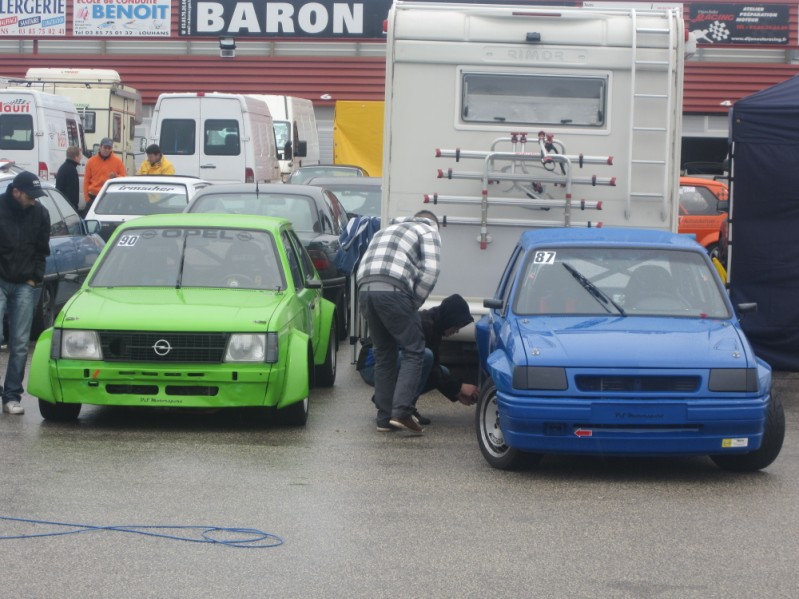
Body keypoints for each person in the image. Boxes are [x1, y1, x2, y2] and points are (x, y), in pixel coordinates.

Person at [356, 209, 441, 433]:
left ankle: (384, 418)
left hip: (364, 289)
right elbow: (431, 270)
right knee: (415, 349)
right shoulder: (429, 230)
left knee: (384, 353)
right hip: (393, 289)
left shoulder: (386, 230)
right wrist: (414, 303)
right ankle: (402, 412)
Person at [357, 294, 479, 426]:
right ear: (450, 318)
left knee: (442, 370)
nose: (456, 331)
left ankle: (390, 399)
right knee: (426, 356)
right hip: (371, 365)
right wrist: (459, 387)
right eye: (456, 326)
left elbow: (435, 370)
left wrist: (457, 392)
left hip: (388, 363)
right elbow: (430, 367)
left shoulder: (434, 325)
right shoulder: (425, 325)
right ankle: (403, 411)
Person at [0, 171, 51, 415]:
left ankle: (11, 396)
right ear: (16, 192)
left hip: (24, 283)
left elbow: (42, 250)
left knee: (20, 343)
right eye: (30, 196)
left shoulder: (41, 214)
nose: (34, 200)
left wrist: (34, 278)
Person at [84, 137, 126, 214]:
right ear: (100, 147)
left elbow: (124, 178)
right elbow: (86, 181)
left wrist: (116, 177)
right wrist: (87, 199)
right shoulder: (91, 161)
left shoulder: (118, 162)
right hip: (93, 197)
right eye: (105, 147)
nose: (107, 150)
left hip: (110, 198)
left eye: (109, 148)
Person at [55, 146, 81, 212]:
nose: (81, 158)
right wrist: (73, 207)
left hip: (62, 204)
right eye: (80, 156)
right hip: (68, 207)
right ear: (76, 157)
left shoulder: (63, 167)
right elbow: (72, 192)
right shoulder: (72, 170)